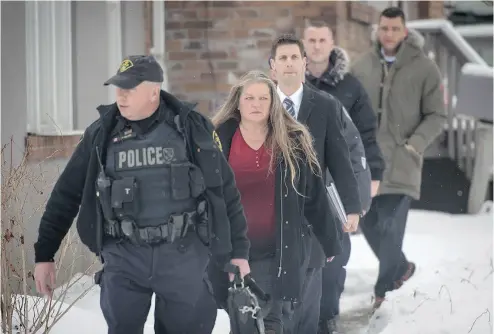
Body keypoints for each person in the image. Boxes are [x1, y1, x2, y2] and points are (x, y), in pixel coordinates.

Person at [33, 55, 252, 334]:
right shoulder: (101, 133)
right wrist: (45, 254)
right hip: (124, 256)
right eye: (118, 88)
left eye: (130, 89)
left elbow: (225, 191)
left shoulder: (191, 128)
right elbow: (66, 194)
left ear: (153, 91)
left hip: (183, 255)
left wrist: (239, 251)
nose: (121, 96)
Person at [208, 70, 343, 334]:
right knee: (243, 321)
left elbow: (313, 195)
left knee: (272, 323)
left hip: (277, 250)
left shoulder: (292, 141)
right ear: (238, 102)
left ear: (273, 103)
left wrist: (329, 240)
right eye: (249, 98)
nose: (256, 104)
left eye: (263, 98)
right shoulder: (218, 140)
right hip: (233, 252)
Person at [350, 7, 447, 309]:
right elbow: (348, 111)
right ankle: (401, 268)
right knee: (368, 224)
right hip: (368, 164)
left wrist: (414, 144)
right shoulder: (361, 66)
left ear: (405, 31)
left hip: (403, 161)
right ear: (377, 30)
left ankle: (384, 290)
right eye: (384, 28)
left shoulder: (425, 68)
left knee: (392, 226)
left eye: (394, 29)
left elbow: (437, 115)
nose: (388, 34)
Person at [269, 34, 363, 334]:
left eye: (294, 57)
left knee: (309, 304)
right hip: (269, 217)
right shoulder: (258, 103)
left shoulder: (323, 105)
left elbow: (339, 160)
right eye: (282, 58)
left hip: (313, 217)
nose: (288, 63)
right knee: (273, 307)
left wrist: (351, 207)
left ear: (304, 63)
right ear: (272, 67)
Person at [302, 20, 385, 332]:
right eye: (311, 39)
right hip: (301, 184)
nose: (317, 46)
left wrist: (372, 173)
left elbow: (364, 135)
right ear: (304, 42)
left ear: (331, 42)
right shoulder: (291, 85)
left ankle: (327, 319)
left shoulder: (350, 87)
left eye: (322, 39)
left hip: (337, 184)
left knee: (335, 255)